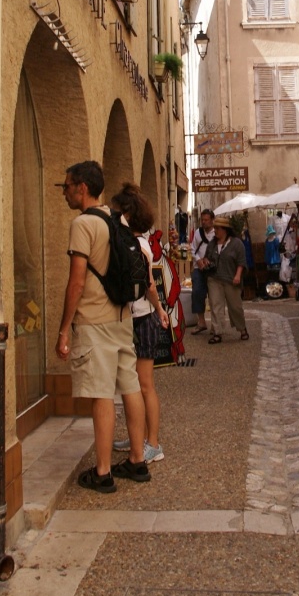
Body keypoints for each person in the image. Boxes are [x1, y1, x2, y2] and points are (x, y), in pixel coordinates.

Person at [55, 160, 149, 493]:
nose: (64, 192)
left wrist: (65, 327)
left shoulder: (83, 224)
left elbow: (77, 281)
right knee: (130, 385)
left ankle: (104, 471)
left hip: (95, 320)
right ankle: (138, 461)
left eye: (66, 186)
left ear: (82, 187)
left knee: (101, 394)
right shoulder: (115, 218)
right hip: (123, 316)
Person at [110, 183, 170, 465]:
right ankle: (138, 437)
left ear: (128, 214)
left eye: (117, 211)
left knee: (145, 384)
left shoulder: (140, 246)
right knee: (132, 383)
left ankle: (153, 443)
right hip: (138, 317)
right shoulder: (134, 243)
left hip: (142, 318)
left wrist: (159, 309)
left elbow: (149, 286)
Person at [201, 215, 249, 344]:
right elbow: (207, 258)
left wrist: (238, 275)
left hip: (231, 279)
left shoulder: (236, 243)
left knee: (235, 307)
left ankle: (242, 329)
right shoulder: (212, 244)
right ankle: (217, 332)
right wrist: (205, 262)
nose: (215, 230)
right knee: (215, 306)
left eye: (217, 228)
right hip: (214, 278)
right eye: (215, 228)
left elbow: (241, 261)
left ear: (225, 230)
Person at [190, 208, 215, 334]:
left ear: (212, 221)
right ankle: (201, 322)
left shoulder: (217, 233)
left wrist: (209, 261)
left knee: (214, 296)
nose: (204, 222)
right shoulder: (198, 233)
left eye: (206, 220)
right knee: (197, 293)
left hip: (212, 268)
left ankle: (215, 325)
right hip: (198, 268)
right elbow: (192, 248)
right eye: (202, 220)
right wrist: (198, 260)